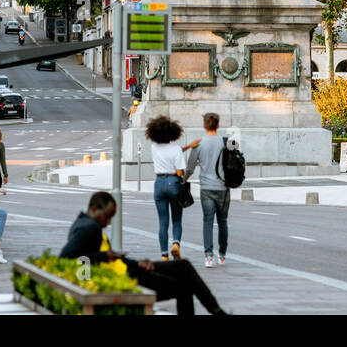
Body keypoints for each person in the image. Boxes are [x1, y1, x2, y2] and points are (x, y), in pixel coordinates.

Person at [60, 192, 226, 316]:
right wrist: (105, 258)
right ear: (95, 209)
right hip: (127, 280)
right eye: (107, 216)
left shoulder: (83, 223)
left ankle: (217, 311)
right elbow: (68, 258)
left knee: (183, 266)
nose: (109, 221)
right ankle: (217, 312)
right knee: (184, 285)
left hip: (129, 270)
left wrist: (135, 262)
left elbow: (94, 257)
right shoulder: (89, 228)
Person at [147, 115, 187, 260]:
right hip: (173, 182)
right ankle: (176, 244)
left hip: (159, 183)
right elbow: (180, 171)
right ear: (173, 133)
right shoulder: (176, 149)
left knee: (163, 222)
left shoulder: (154, 148)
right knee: (176, 219)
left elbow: (166, 151)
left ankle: (164, 255)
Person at [194, 113, 231, 268]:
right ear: (218, 126)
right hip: (223, 187)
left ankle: (208, 256)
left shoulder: (199, 144)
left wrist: (183, 179)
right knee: (222, 221)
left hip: (206, 188)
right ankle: (222, 253)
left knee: (207, 221)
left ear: (204, 126)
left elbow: (189, 166)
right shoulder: (225, 142)